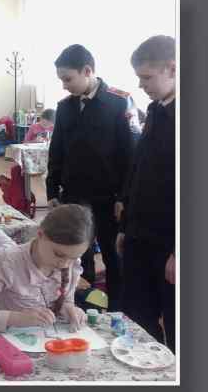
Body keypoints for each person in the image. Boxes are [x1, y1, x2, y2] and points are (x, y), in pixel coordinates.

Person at [46, 44, 134, 311]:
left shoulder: (119, 102)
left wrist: (124, 197)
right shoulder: (65, 107)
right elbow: (57, 150)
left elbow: (131, 156)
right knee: (76, 255)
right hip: (74, 195)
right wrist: (52, 190)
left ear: (87, 71)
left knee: (112, 254)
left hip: (108, 197)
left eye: (68, 79)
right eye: (61, 80)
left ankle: (116, 310)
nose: (64, 86)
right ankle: (81, 307)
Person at [117, 35, 176, 352]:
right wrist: (125, 227)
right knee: (137, 318)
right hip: (140, 236)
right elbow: (138, 174)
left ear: (172, 69)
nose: (141, 85)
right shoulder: (155, 110)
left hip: (169, 244)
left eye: (147, 77)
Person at [0, 204, 93, 332]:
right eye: (59, 254)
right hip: (6, 338)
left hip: (47, 337)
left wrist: (69, 308)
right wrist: (16, 318)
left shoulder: (72, 264)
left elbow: (66, 299)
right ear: (40, 235)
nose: (65, 264)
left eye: (74, 257)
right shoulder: (8, 262)